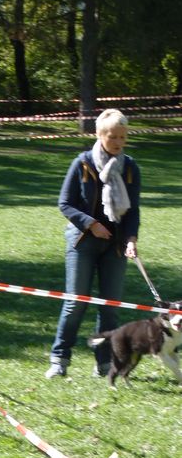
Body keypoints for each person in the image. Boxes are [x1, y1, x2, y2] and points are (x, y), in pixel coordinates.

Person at [45, 108, 141, 379]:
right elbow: (65, 203)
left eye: (123, 136)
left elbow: (133, 210)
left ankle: (104, 363)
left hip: (116, 245)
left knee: (110, 306)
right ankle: (60, 359)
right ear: (99, 135)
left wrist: (131, 239)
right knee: (76, 302)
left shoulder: (130, 167)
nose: (118, 142)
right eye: (113, 136)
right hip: (83, 242)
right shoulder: (83, 163)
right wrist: (91, 224)